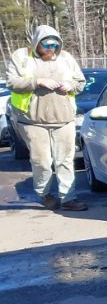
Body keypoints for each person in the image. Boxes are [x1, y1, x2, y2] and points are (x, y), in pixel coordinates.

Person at [5, 25, 87, 210]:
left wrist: (70, 85)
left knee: (65, 160)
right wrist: (37, 82)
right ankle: (45, 194)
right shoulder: (22, 57)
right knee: (41, 161)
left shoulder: (66, 58)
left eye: (54, 45)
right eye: (46, 45)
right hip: (33, 120)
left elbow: (80, 82)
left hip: (64, 118)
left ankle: (68, 198)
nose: (51, 49)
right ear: (36, 44)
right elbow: (12, 82)